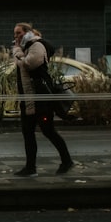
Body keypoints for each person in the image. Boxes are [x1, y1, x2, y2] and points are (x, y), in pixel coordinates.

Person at [12, 22, 74, 177]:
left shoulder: (36, 45)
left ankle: (67, 161)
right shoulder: (26, 47)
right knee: (27, 132)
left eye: (18, 33)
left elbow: (29, 64)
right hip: (28, 100)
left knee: (48, 131)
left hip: (41, 99)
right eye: (14, 34)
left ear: (27, 32)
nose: (16, 37)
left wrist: (18, 54)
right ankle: (30, 167)